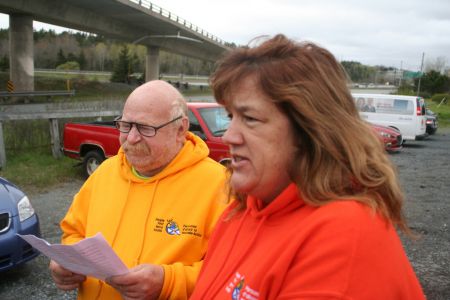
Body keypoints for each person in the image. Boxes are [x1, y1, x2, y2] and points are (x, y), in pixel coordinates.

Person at [190, 35, 425, 299]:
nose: (229, 136)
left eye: (250, 118)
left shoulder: (343, 235)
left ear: (309, 131)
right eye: (231, 117)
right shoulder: (239, 212)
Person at [49, 80, 228, 299]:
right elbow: (74, 232)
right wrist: (69, 263)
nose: (131, 138)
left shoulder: (221, 186)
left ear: (180, 129)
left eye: (145, 128)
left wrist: (168, 282)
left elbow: (233, 274)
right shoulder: (105, 172)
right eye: (126, 125)